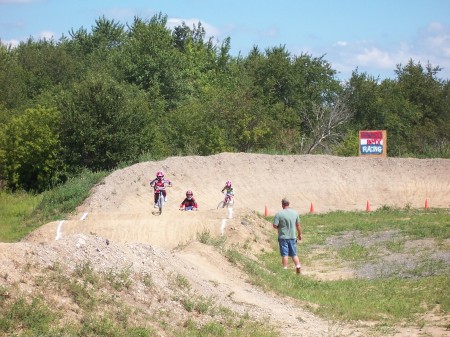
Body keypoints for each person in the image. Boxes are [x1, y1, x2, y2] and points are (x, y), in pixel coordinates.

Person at [272, 197, 302, 274]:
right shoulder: (295, 213)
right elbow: (298, 225)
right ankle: (298, 267)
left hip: (283, 237)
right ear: (288, 204)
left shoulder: (279, 214)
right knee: (294, 254)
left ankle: (285, 270)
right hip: (292, 237)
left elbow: (275, 225)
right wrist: (300, 234)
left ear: (282, 204)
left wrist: (280, 227)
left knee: (285, 254)